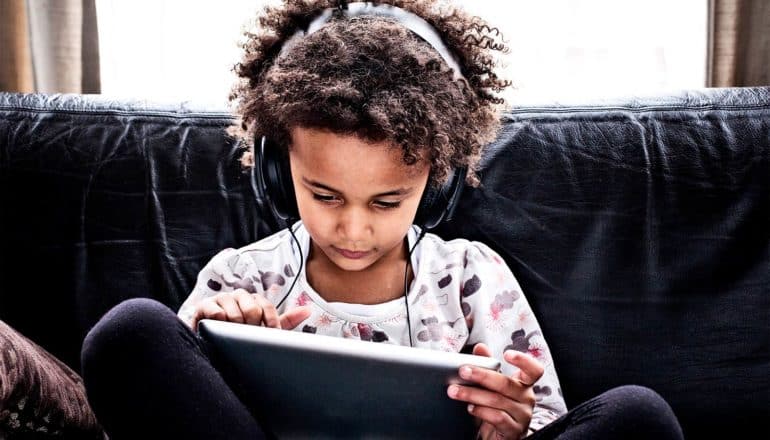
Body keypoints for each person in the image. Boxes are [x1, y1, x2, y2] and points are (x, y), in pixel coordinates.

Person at [80, 1, 684, 439]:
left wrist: (512, 425)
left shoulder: (471, 276)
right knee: (130, 332)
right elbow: (162, 413)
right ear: (275, 167)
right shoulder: (240, 281)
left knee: (639, 415)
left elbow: (547, 419)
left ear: (438, 181)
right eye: (326, 195)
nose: (353, 231)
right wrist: (211, 347)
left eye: (386, 202)